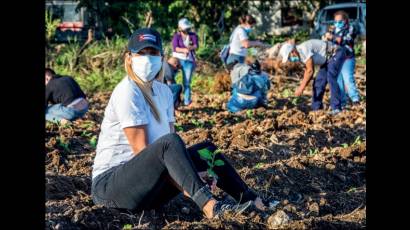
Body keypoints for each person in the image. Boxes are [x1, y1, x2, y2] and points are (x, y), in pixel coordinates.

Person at [91, 28, 267, 219]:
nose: (147, 58)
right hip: (111, 190)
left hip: (147, 189)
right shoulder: (128, 91)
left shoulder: (164, 92)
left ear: (161, 57)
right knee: (171, 143)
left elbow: (171, 156)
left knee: (206, 150)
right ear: (129, 57)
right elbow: (144, 154)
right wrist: (192, 184)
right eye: (141, 53)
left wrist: (193, 175)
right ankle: (211, 207)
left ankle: (253, 201)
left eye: (153, 53)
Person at [279, 39, 346, 114]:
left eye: (289, 57)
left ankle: (336, 108)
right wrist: (303, 84)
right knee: (318, 83)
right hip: (327, 60)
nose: (290, 60)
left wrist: (301, 88)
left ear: (292, 51)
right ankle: (316, 109)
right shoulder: (299, 55)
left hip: (336, 53)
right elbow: (308, 70)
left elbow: (310, 71)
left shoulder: (303, 50)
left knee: (331, 77)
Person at [329, 10, 361, 106]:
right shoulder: (333, 30)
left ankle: (355, 99)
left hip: (347, 58)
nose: (337, 23)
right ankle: (343, 102)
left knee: (348, 79)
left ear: (345, 20)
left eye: (340, 21)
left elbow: (346, 39)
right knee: (339, 82)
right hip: (336, 59)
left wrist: (333, 37)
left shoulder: (350, 28)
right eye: (335, 21)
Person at [172, 18, 198, 106]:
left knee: (186, 82)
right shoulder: (176, 36)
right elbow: (175, 48)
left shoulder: (193, 35)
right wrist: (184, 50)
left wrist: (189, 49)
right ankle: (174, 100)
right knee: (170, 79)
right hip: (177, 60)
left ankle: (187, 101)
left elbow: (195, 45)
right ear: (180, 28)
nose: (186, 30)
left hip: (188, 61)